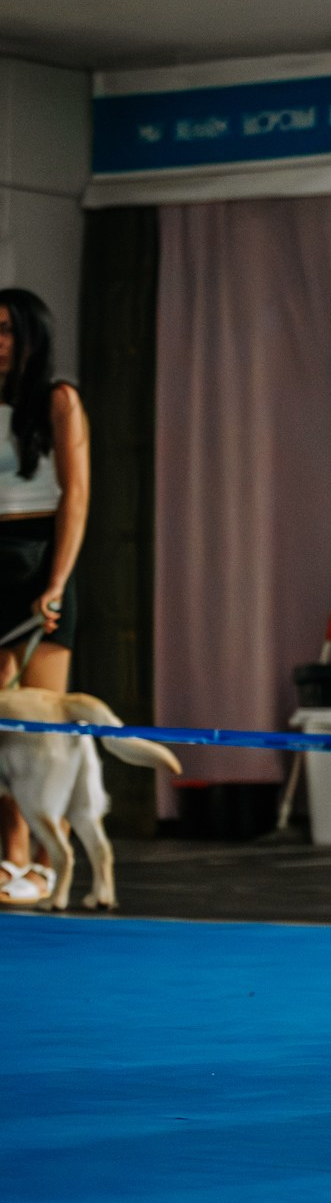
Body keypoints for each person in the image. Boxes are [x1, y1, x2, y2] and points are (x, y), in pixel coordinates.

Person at [0, 288, 91, 907]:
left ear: (31, 334)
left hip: (37, 561)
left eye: (4, 329)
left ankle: (31, 857)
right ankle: (8, 856)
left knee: (33, 725)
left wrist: (55, 582)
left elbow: (76, 496)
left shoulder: (59, 400)